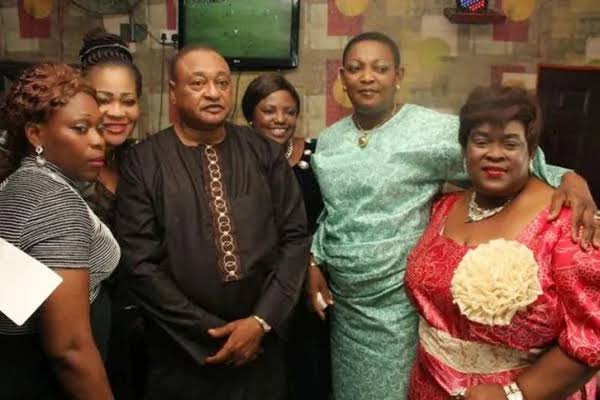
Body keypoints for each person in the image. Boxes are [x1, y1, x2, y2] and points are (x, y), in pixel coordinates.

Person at [307, 31, 599, 400]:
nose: (367, 77)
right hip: (346, 305)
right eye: (355, 68)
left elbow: (504, 153)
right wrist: (315, 258)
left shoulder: (430, 130)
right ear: (342, 77)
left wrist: (568, 178)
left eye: (380, 68)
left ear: (398, 76)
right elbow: (334, 209)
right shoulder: (330, 140)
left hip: (399, 303)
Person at [115, 46, 310, 399]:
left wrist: (260, 322)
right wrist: (212, 333)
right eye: (198, 83)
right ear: (174, 91)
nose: (213, 92)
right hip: (182, 356)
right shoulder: (143, 162)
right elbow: (140, 263)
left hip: (261, 349)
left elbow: (295, 237)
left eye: (222, 82)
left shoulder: (263, 152)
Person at [404, 85, 599, 399]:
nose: (494, 153)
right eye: (481, 141)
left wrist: (515, 394)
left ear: (530, 152)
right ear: (465, 149)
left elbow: (593, 334)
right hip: (428, 383)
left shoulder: (565, 222)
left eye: (510, 143)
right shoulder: (442, 208)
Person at [0, 63, 117, 399]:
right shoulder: (53, 203)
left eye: (99, 128)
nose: (98, 141)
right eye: (81, 128)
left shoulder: (18, 185)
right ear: (35, 135)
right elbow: (68, 349)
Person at [242, 73, 329, 399]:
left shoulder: (317, 155)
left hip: (312, 280)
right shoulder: (236, 160)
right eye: (269, 110)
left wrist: (313, 262)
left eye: (289, 111)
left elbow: (332, 214)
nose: (280, 119)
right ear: (250, 116)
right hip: (260, 284)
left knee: (309, 369)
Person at [78, 27, 145, 400]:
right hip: (78, 331)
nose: (118, 112)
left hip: (130, 327)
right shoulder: (63, 167)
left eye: (128, 100)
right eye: (103, 100)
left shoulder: (137, 159)